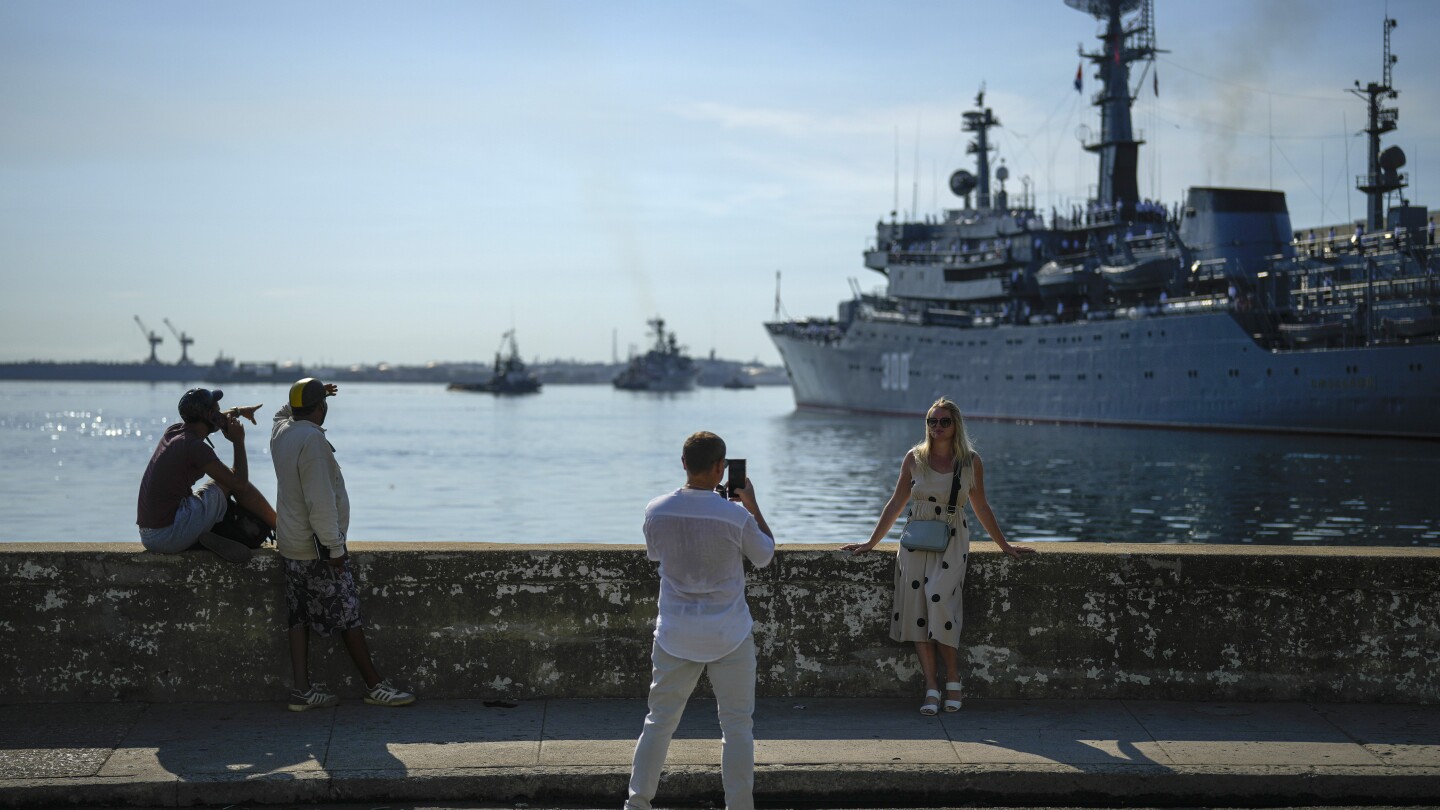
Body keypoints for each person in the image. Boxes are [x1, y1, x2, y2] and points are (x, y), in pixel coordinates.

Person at [843, 398, 1034, 715]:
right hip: (915, 542)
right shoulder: (914, 458)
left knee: (939, 599)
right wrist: (871, 542)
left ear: (956, 424)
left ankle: (954, 678)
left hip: (952, 540)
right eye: (932, 421)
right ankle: (931, 687)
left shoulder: (969, 461)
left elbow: (981, 507)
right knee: (918, 609)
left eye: (944, 421)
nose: (937, 427)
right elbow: (895, 504)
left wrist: (1006, 547)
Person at [626, 431, 775, 810]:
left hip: (675, 632)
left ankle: (637, 803)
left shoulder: (656, 509)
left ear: (683, 464)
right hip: (729, 634)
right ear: (719, 468)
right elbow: (765, 554)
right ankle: (739, 806)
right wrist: (751, 504)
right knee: (737, 727)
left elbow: (656, 555)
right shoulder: (736, 515)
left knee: (658, 723)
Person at [271, 377, 415, 712]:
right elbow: (320, 502)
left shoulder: (281, 432)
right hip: (316, 550)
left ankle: (302, 691)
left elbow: (282, 411)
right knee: (348, 616)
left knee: (298, 617)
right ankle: (375, 686)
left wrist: (315, 393)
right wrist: (335, 549)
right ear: (321, 408)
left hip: (290, 545)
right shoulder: (313, 442)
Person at [136, 388, 276, 563]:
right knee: (228, 483)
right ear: (210, 414)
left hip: (149, 535)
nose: (220, 413)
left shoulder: (174, 432)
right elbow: (240, 483)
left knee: (218, 485)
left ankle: (200, 536)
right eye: (216, 410)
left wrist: (238, 411)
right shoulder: (194, 447)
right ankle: (282, 529)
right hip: (168, 535)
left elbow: (209, 418)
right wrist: (238, 441)